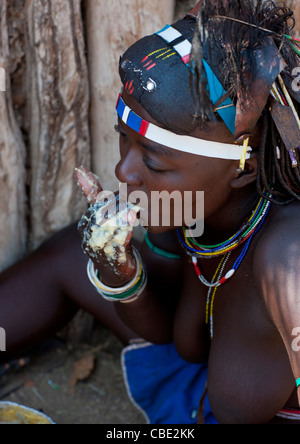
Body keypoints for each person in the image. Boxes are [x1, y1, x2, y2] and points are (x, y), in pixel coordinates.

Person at [1, 0, 300, 424]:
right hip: (198, 390)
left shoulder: (289, 263)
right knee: (74, 254)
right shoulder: (188, 212)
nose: (124, 170)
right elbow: (173, 339)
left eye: (154, 161)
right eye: (124, 138)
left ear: (243, 168)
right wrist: (120, 274)